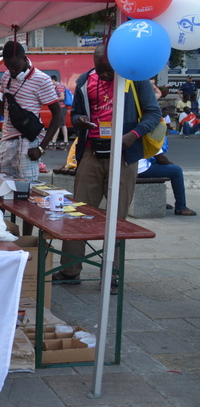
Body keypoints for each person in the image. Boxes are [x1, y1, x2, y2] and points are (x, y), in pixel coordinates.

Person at [55, 44, 161, 294]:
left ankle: (111, 274)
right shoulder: (84, 81)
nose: (103, 75)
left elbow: (153, 113)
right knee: (77, 212)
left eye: (108, 71)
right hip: (92, 152)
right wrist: (79, 120)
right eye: (100, 70)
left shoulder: (136, 79)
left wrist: (133, 135)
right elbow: (75, 114)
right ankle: (70, 269)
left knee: (117, 218)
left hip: (124, 155)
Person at [0, 42, 62, 181]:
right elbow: (5, 111)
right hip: (7, 141)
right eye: (8, 67)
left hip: (28, 142)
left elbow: (58, 115)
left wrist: (41, 148)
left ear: (24, 59)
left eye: (15, 67)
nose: (12, 71)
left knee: (26, 188)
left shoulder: (42, 80)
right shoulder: (6, 76)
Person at [138, 142, 196, 216]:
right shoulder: (149, 137)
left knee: (160, 167)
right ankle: (181, 207)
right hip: (141, 169)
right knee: (176, 171)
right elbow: (161, 159)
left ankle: (158, 201)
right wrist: (172, 164)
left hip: (131, 167)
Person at [51, 75, 70, 146]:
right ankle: (66, 141)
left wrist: (54, 99)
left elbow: (62, 97)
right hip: (63, 108)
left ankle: (53, 141)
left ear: (53, 80)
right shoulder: (59, 86)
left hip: (61, 108)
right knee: (63, 124)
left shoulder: (59, 87)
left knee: (57, 124)